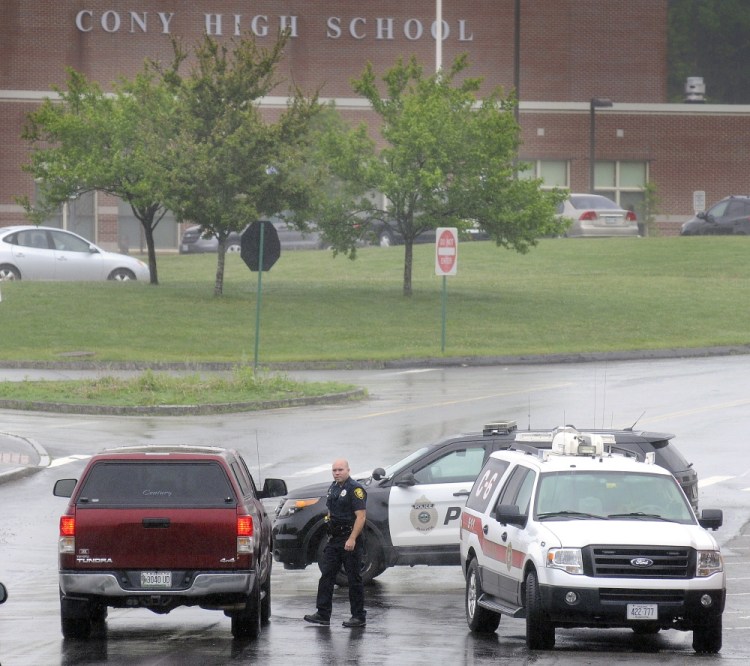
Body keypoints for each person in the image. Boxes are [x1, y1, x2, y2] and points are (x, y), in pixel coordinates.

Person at [304, 458, 367, 628]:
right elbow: (331, 509)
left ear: (348, 470)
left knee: (353, 579)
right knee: (327, 576)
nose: (337, 473)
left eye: (340, 470)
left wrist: (352, 538)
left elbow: (361, 516)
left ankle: (358, 616)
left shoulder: (355, 490)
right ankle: (323, 613)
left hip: (349, 539)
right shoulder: (333, 487)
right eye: (334, 470)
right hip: (334, 540)